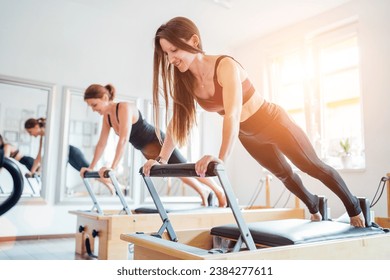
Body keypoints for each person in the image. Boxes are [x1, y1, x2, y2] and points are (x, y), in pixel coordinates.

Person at [142, 16, 365, 227]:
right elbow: (177, 122)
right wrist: (161, 160)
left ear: (194, 41)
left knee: (312, 166)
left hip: (274, 122)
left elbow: (232, 114)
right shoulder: (186, 80)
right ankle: (314, 204)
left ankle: (354, 206)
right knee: (284, 175)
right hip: (247, 134)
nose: (170, 59)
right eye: (166, 54)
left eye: (174, 50)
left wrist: (220, 159)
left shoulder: (225, 66)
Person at [81, 83, 227, 207]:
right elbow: (101, 144)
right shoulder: (107, 118)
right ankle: (204, 192)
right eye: (91, 106)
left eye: (94, 104)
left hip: (157, 141)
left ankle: (218, 190)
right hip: (145, 149)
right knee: (178, 173)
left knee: (183, 166)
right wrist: (91, 167)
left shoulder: (124, 107)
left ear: (105, 98)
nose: (94, 109)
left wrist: (112, 168)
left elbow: (123, 139)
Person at [24, 118, 114, 194]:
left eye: (30, 131)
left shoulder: (50, 132)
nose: (30, 134)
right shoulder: (42, 137)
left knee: (89, 172)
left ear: (36, 127)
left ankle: (113, 184)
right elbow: (39, 156)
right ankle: (111, 186)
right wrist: (32, 172)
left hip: (71, 152)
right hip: (67, 154)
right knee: (86, 174)